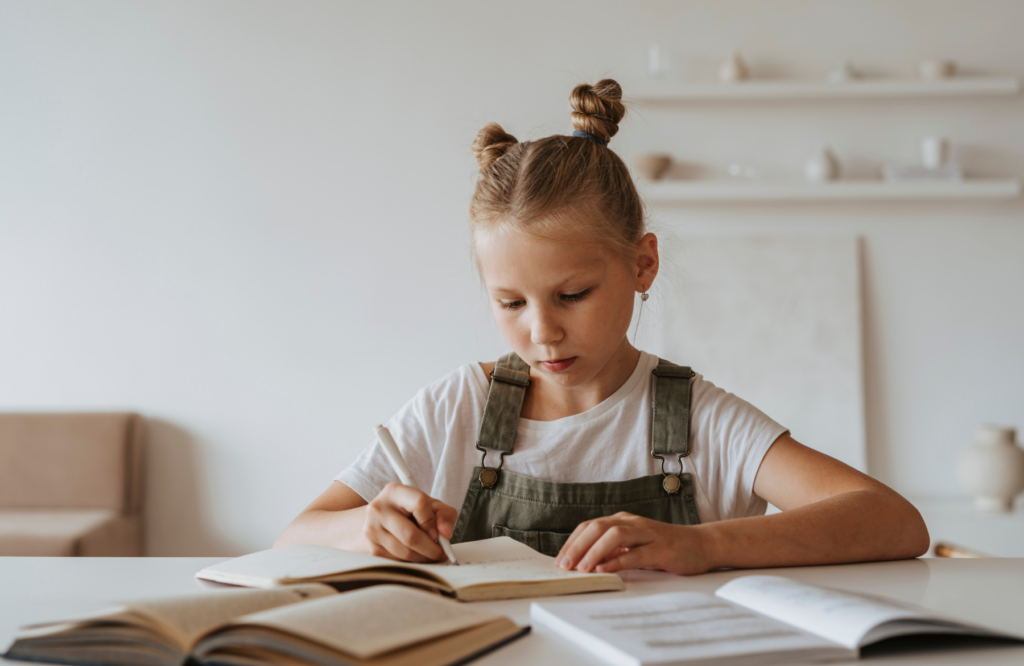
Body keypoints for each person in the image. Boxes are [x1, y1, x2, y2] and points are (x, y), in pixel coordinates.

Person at [276, 79, 929, 575]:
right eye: (510, 303)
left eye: (572, 294)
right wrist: (366, 527)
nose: (543, 332)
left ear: (642, 264)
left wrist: (702, 543)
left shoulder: (699, 419)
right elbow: (295, 535)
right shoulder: (457, 408)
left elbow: (894, 522)